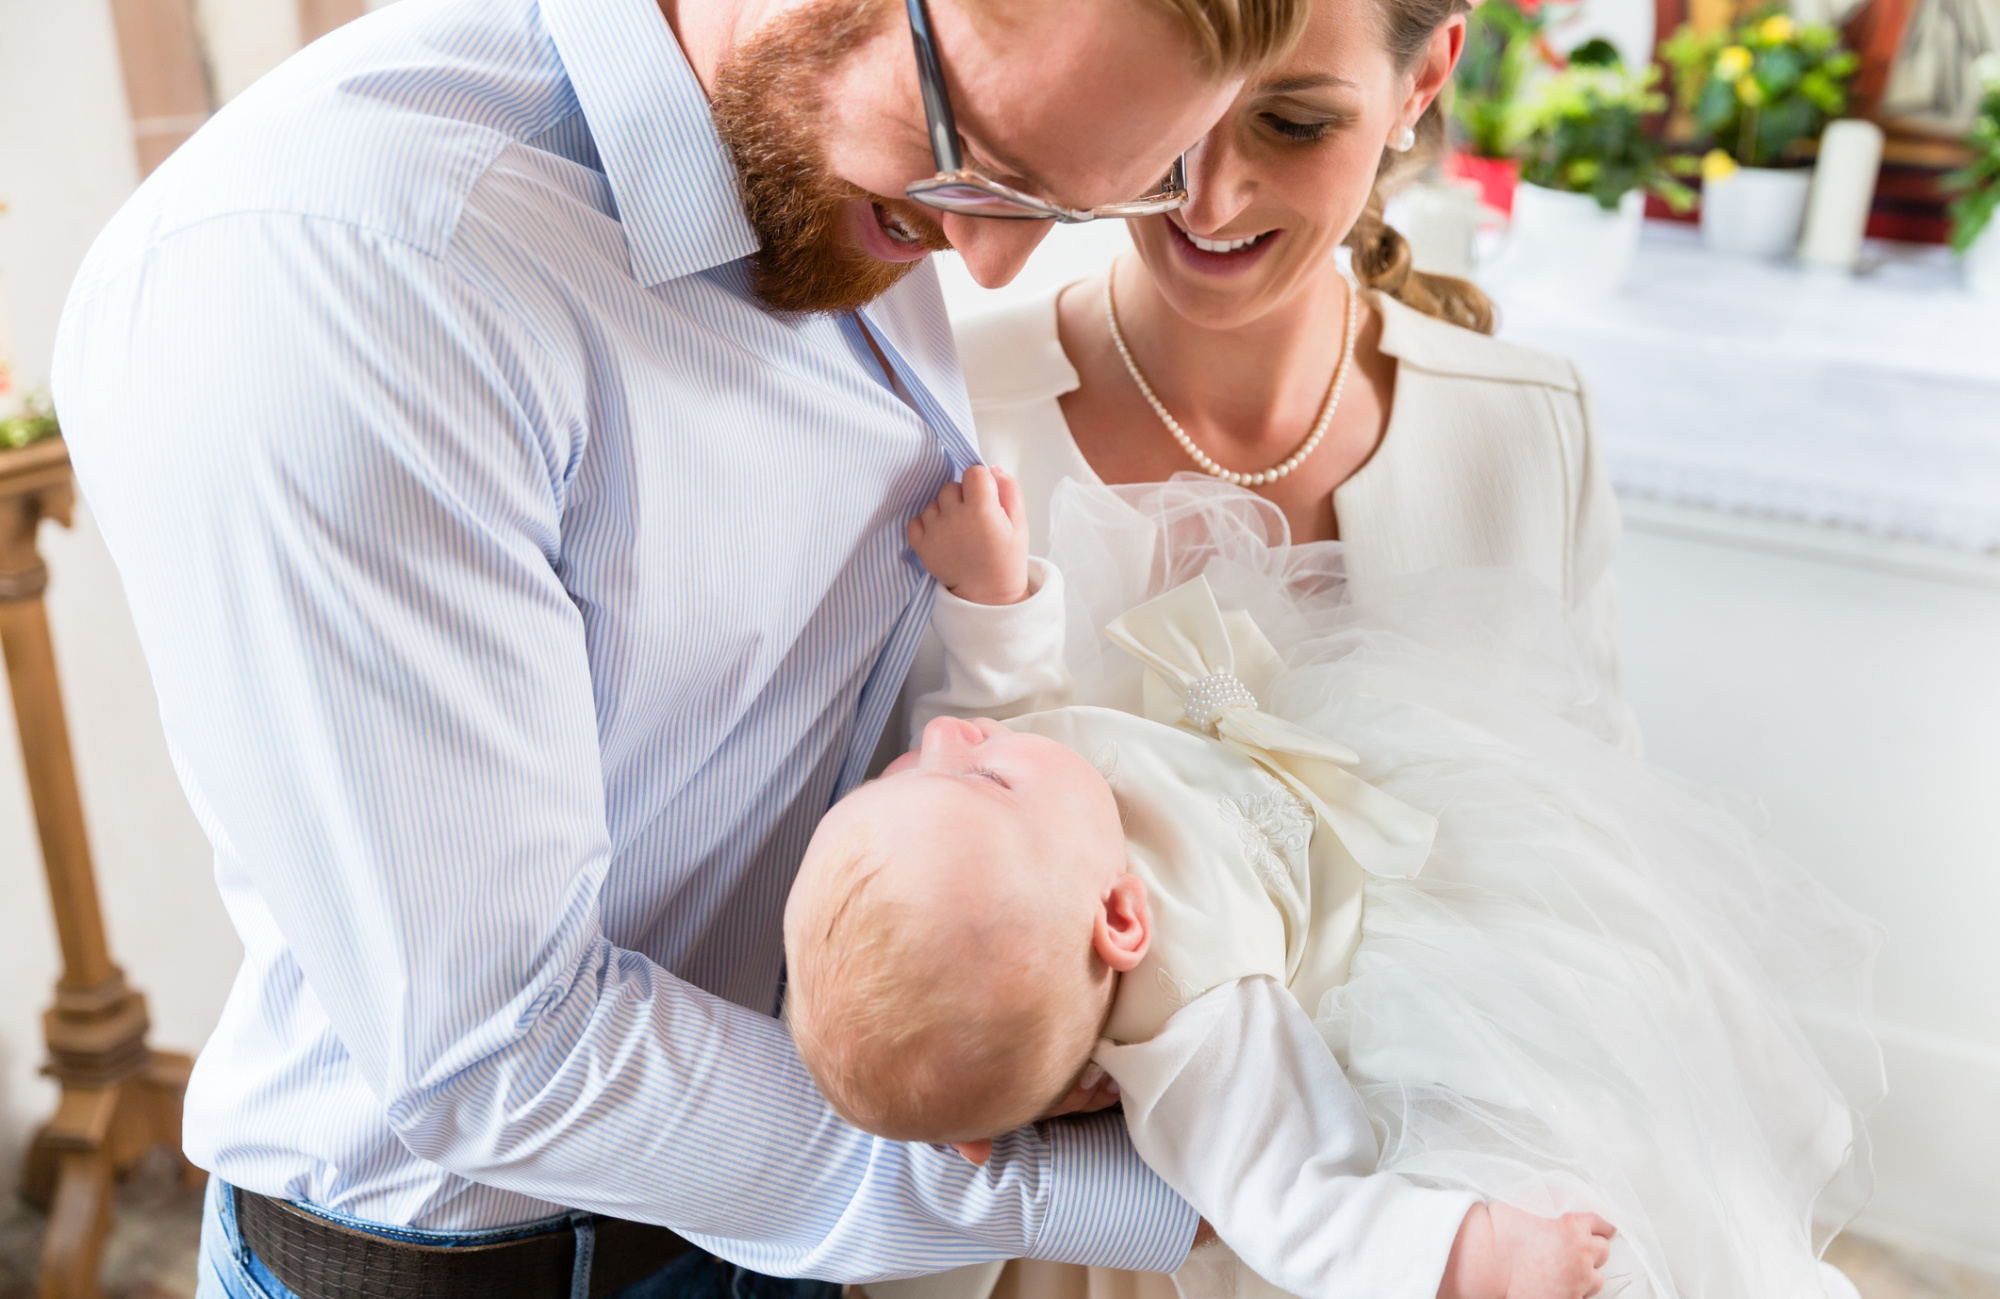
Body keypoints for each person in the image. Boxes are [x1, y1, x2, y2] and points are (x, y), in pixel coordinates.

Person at [48, 0, 1314, 1294]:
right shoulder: (347, 268)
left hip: (775, 1221)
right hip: (495, 1258)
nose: (983, 259)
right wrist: (1165, 1185)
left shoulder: (827, 164)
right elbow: (506, 1052)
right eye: (971, 146)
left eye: (1060, 201)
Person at [811, 466, 1879, 1299]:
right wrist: (1470, 1258)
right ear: (1124, 918)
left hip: (1360, 794)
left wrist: (990, 592)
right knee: (1607, 1112)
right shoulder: (1196, 1026)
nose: (950, 735)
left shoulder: (1007, 848)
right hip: (1401, 952)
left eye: (910, 769)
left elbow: (1010, 694)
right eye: (981, 772)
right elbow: (1290, 1200)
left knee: (1654, 1007)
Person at [913, 0, 1639, 763]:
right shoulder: (949, 415)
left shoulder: (1532, 431)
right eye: (1173, 98)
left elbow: (1597, 833)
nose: (1207, 198)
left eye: (1294, 123)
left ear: (1421, 79)